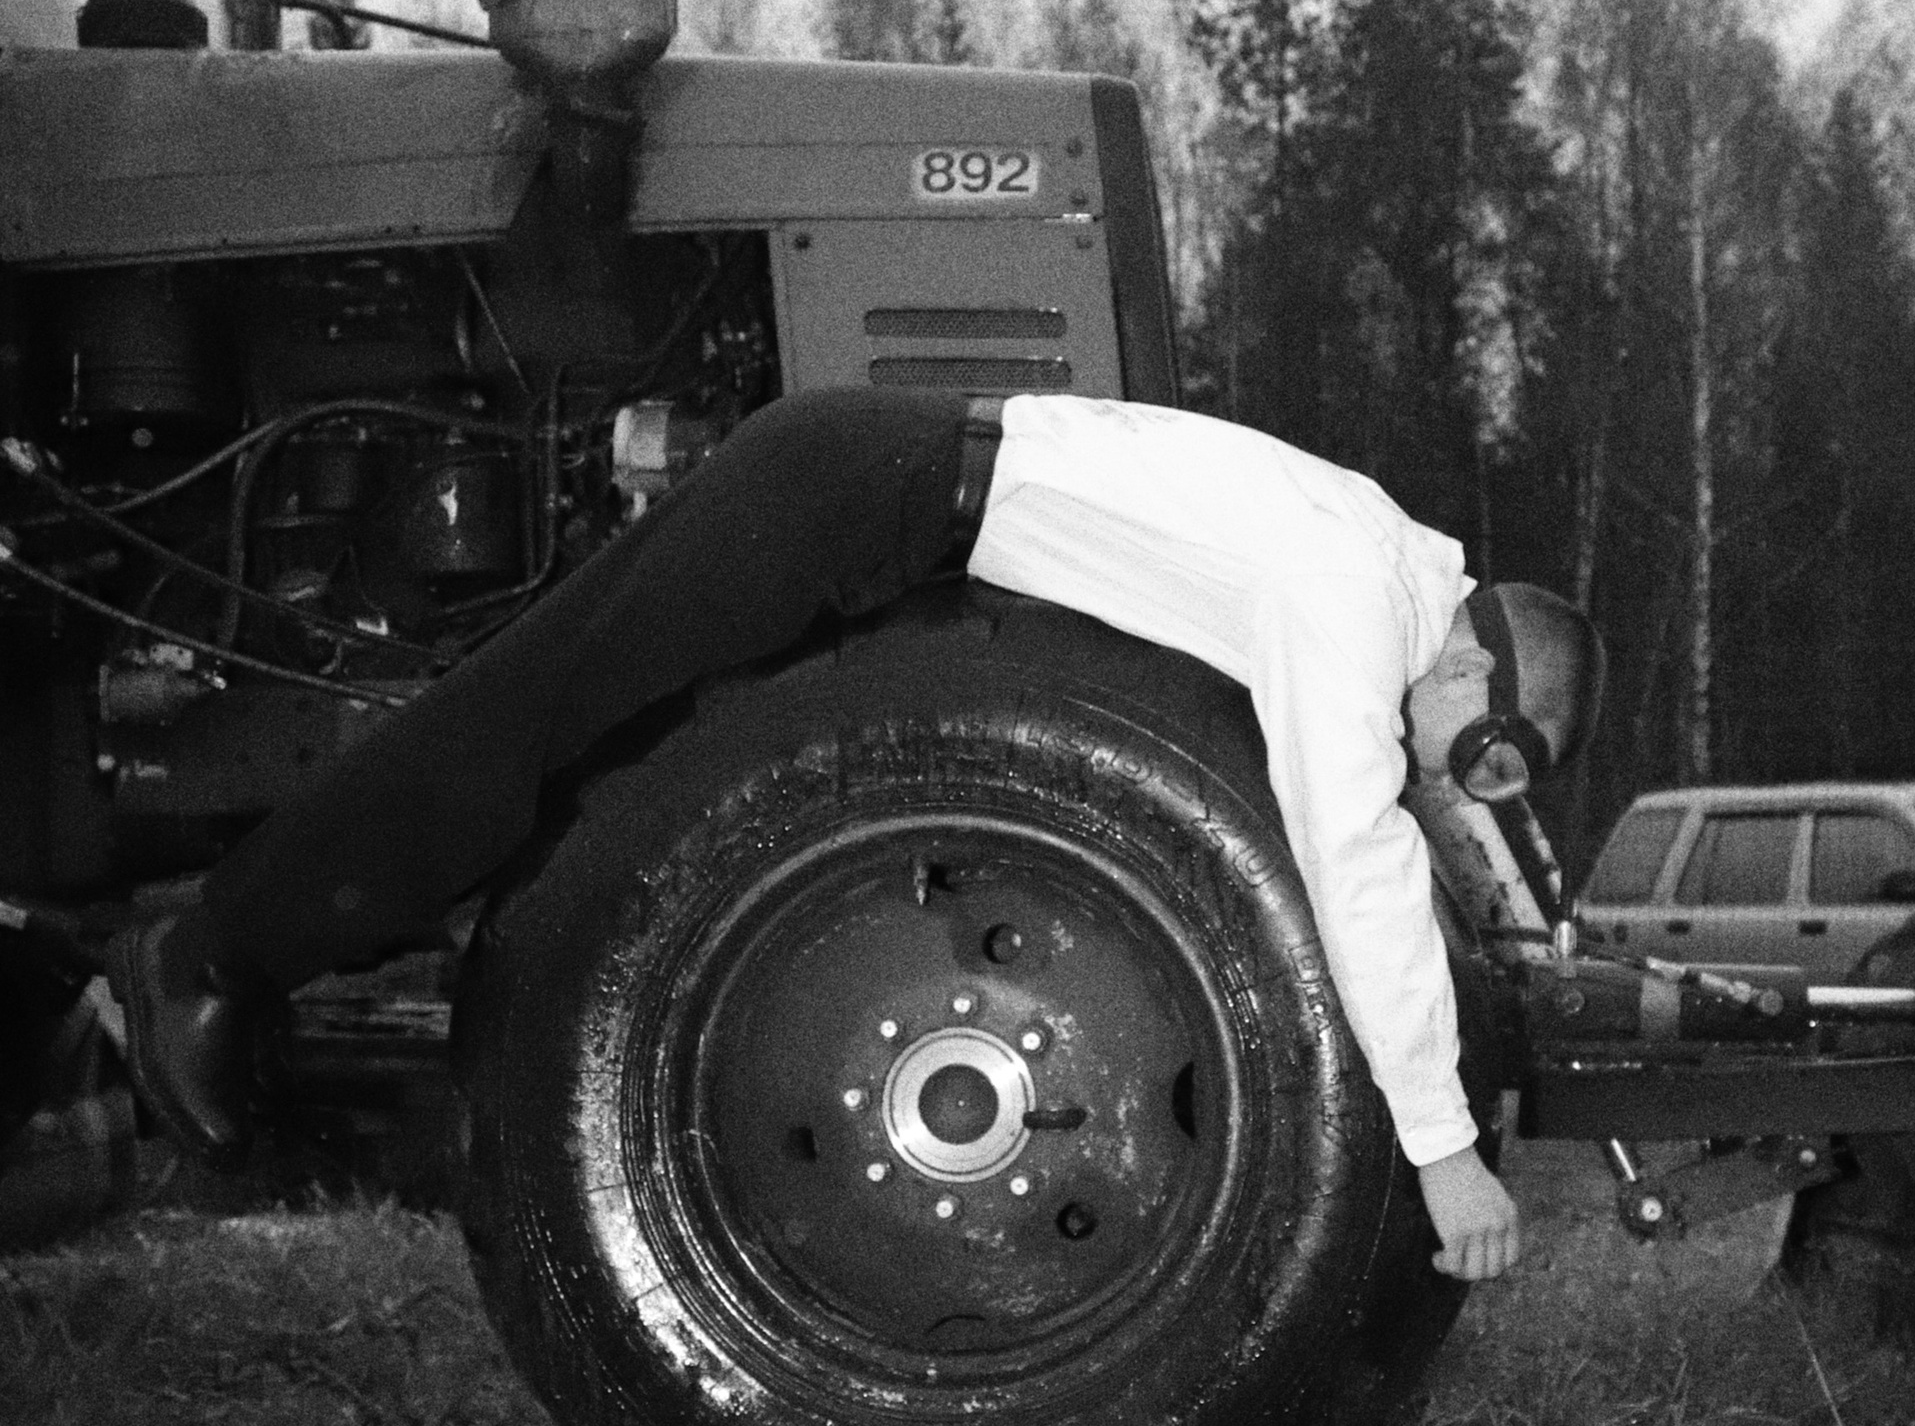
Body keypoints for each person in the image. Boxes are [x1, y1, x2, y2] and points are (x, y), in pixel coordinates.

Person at [109, 389, 1605, 1281]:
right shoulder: (1350, 601)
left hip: (891, 502)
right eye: (1479, 756)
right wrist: (1444, 1153)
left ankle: (241, 957)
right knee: (544, 724)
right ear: (1471, 669)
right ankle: (207, 954)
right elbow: (1355, 858)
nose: (1454, 783)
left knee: (572, 749)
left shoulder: (1373, 551)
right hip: (848, 494)